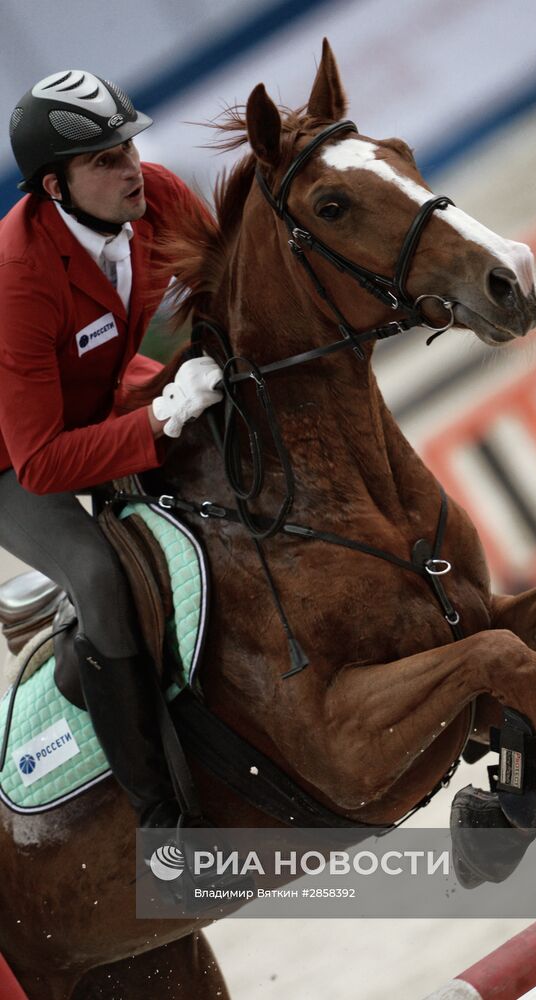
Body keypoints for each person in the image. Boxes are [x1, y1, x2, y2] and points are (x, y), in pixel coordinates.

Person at [0, 70, 222, 832]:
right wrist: (161, 414)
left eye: (127, 143)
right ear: (55, 188)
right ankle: (160, 816)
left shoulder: (154, 193)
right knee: (98, 574)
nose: (130, 166)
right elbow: (42, 463)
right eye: (103, 159)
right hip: (13, 452)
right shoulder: (17, 279)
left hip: (104, 393)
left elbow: (227, 291)